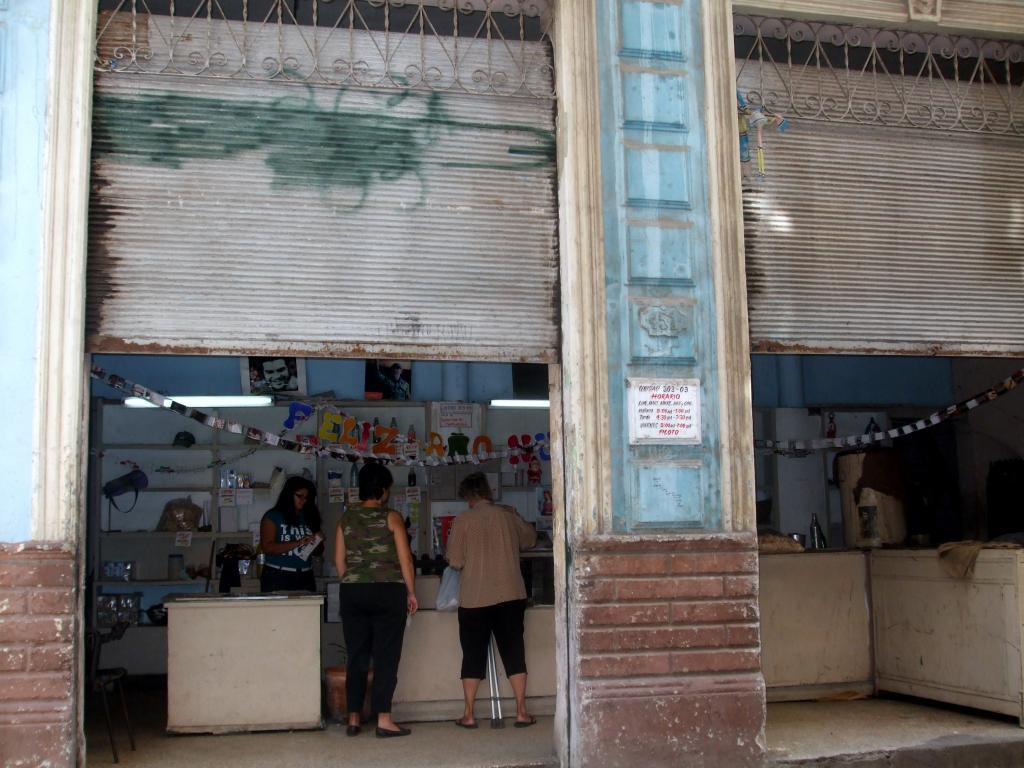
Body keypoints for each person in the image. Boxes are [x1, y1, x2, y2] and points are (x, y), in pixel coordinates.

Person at [446, 472, 538, 729]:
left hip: (474, 598)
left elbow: (455, 561)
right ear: (488, 491)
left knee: (472, 655)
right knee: (514, 652)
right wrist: (516, 516)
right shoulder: (507, 516)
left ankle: (469, 714)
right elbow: (530, 539)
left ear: (467, 496)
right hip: (510, 594)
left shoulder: (462, 521)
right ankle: (521, 711)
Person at [334, 462, 418, 738]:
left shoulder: (346, 518)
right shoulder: (391, 517)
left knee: (356, 655)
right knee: (386, 657)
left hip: (352, 591)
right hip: (387, 591)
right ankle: (383, 719)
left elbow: (339, 560)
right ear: (382, 490)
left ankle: (354, 718)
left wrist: (355, 581)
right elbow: (405, 559)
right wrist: (411, 592)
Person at [259, 476, 322, 592]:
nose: (303, 501)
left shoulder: (309, 516)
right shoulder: (272, 516)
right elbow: (268, 547)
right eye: (299, 496)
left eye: (306, 498)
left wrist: (316, 542)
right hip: (277, 575)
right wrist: (298, 543)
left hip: (305, 574)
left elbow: (318, 552)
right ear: (289, 494)